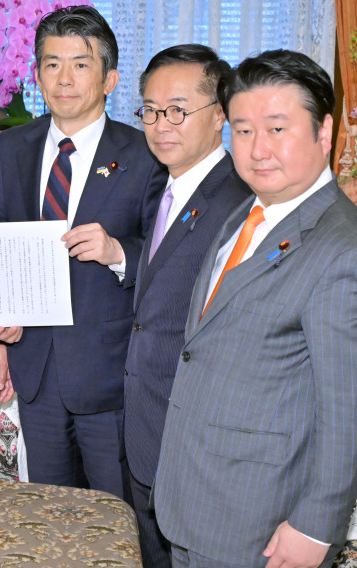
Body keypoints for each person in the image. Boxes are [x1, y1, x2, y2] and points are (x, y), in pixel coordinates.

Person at [154, 49, 357, 568]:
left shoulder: (342, 248)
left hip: (260, 525)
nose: (258, 149)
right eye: (243, 131)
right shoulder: (247, 211)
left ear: (324, 131)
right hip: (193, 499)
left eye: (277, 129)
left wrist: (316, 526)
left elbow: (347, 407)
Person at [0, 5, 166, 499]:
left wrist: (117, 251)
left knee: (116, 513)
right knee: (49, 514)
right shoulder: (10, 148)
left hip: (110, 373)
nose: (64, 79)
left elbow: (172, 258)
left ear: (110, 79)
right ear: (36, 75)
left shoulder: (146, 154)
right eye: (52, 64)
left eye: (80, 64)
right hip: (34, 368)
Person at [123, 45, 250, 568]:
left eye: (177, 110)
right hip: (147, 428)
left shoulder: (239, 202)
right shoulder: (167, 188)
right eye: (151, 110)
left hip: (196, 441)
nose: (161, 125)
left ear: (219, 115)